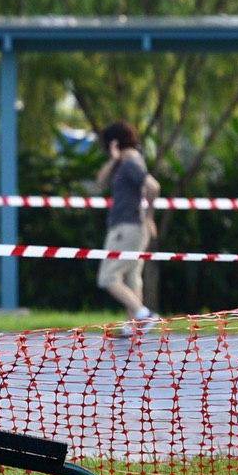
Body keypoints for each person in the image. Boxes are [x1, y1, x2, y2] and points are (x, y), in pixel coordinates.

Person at [94, 120, 161, 336]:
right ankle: (133, 324)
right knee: (132, 276)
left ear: (114, 142)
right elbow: (100, 182)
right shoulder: (125, 161)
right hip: (133, 226)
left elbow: (153, 187)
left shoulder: (130, 162)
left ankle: (143, 315)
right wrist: (114, 160)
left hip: (127, 226)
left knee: (108, 277)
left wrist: (149, 215)